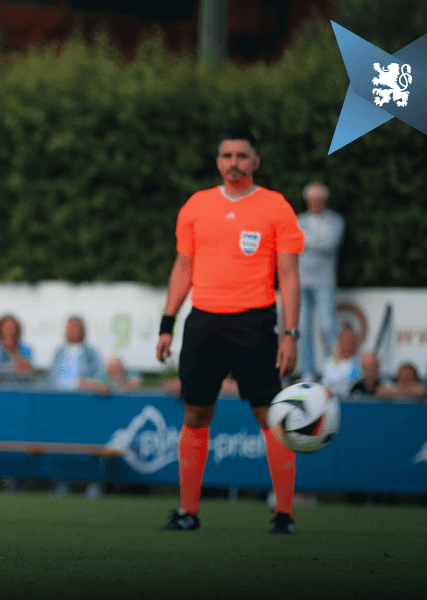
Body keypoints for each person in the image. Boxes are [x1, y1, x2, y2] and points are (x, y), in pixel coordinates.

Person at [155, 127, 305, 535]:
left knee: (269, 414)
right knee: (196, 412)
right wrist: (168, 323)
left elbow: (288, 276)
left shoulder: (276, 207)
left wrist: (290, 332)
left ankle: (284, 514)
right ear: (218, 161)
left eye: (242, 155)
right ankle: (188, 512)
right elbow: (182, 268)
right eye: (227, 155)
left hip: (254, 321)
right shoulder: (196, 206)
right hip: (203, 320)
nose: (233, 162)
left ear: (256, 162)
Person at [296, 182, 344, 382]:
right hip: (301, 281)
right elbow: (295, 242)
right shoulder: (298, 220)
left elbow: (330, 244)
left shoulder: (335, 221)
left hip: (324, 282)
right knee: (303, 329)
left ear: (324, 200)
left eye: (318, 199)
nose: (315, 203)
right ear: (307, 201)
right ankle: (308, 371)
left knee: (328, 327)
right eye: (312, 200)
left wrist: (307, 241)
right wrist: (316, 240)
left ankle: (332, 371)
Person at [47, 316, 108, 394]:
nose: (74, 331)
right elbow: (53, 379)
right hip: (60, 397)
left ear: (83, 330)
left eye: (76, 328)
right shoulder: (59, 353)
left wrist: (90, 384)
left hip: (84, 398)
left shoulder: (92, 353)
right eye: (70, 328)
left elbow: (99, 377)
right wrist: (77, 384)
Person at [319, 326, 362, 399]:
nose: (347, 343)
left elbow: (351, 386)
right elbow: (324, 384)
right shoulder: (328, 363)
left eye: (349, 340)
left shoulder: (357, 364)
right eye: (344, 340)